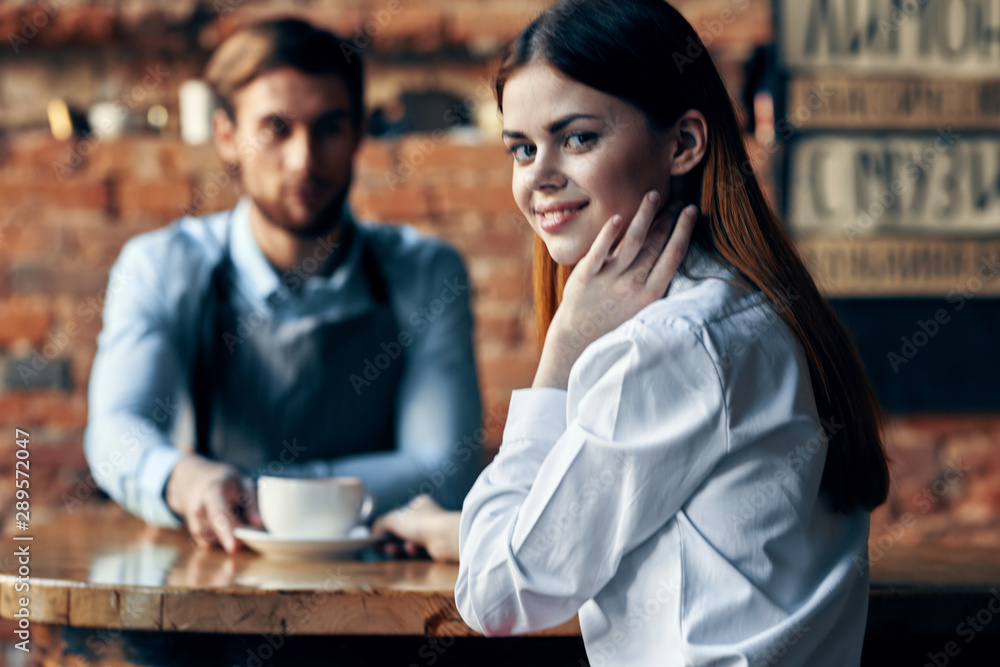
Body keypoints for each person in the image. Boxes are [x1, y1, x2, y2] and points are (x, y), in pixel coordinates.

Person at [449, 1, 891, 665]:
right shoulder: (742, 304)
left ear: (682, 143)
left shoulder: (669, 345)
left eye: (577, 138)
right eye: (521, 147)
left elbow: (494, 593)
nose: (537, 176)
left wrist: (561, 354)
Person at [84, 18, 482, 554]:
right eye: (276, 128)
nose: (304, 160)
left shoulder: (426, 271)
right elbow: (114, 431)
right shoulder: (161, 266)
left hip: (381, 591)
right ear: (226, 136)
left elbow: (445, 470)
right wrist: (185, 479)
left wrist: (254, 490)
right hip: (221, 580)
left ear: (359, 133)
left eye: (329, 127)